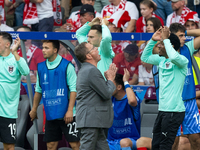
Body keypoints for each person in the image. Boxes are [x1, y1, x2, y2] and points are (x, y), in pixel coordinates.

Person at [141, 27, 188, 150]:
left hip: (174, 111)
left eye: (161, 44)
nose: (159, 46)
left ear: (170, 46)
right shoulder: (161, 60)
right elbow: (144, 58)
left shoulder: (182, 61)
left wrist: (166, 39)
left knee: (165, 146)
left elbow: (173, 57)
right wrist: (152, 40)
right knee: (155, 145)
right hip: (163, 110)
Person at [29, 40, 80, 150]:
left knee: (75, 145)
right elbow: (38, 90)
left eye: (47, 48)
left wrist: (70, 110)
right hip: (51, 114)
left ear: (55, 50)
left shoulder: (67, 66)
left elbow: (73, 90)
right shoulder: (41, 67)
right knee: (50, 146)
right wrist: (33, 109)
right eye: (43, 47)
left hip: (68, 114)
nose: (43, 50)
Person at [74, 42, 117, 150]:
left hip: (94, 121)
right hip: (90, 120)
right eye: (93, 48)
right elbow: (107, 93)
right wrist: (111, 79)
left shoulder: (87, 70)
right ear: (88, 56)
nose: (97, 48)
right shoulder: (91, 71)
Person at [168, 23, 200, 150]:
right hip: (173, 103)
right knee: (173, 142)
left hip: (189, 102)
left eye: (184, 35)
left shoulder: (188, 47)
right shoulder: (165, 52)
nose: (184, 38)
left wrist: (186, 33)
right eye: (181, 36)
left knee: (196, 140)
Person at [0, 32, 30, 150]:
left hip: (8, 113)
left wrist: (15, 52)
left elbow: (26, 72)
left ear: (7, 44)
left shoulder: (16, 60)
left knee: (9, 146)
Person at [107, 72, 152, 150]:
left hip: (131, 141)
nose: (108, 87)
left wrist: (126, 82)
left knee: (124, 142)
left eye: (111, 84)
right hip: (111, 142)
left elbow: (132, 101)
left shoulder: (132, 96)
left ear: (119, 87)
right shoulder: (109, 99)